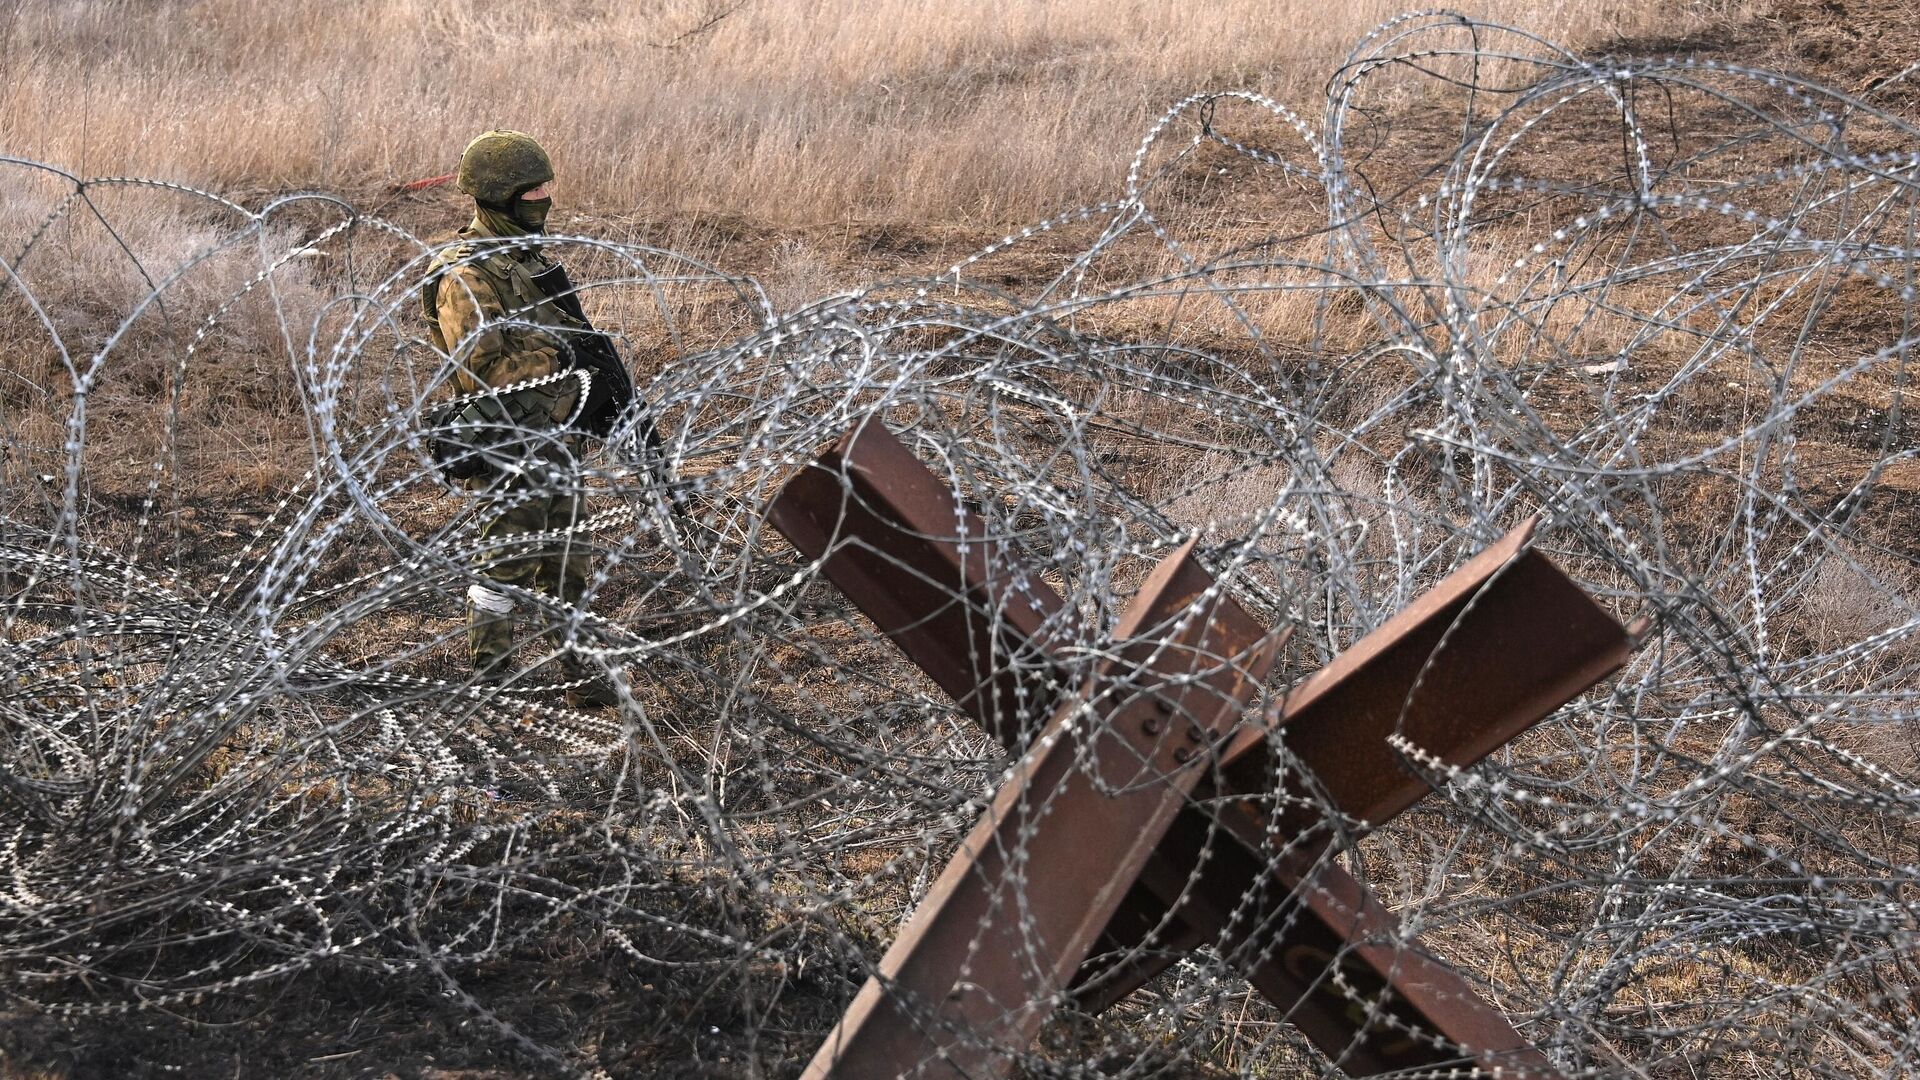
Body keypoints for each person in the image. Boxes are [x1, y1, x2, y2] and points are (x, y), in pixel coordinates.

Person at [420, 130, 621, 709]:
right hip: (507, 438)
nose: (543, 200)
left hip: (556, 432)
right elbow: (478, 371)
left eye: (545, 188)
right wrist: (562, 356)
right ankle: (492, 672)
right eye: (530, 191)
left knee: (569, 554)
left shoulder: (523, 262)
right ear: (497, 197)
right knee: (507, 556)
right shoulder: (466, 275)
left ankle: (577, 663)